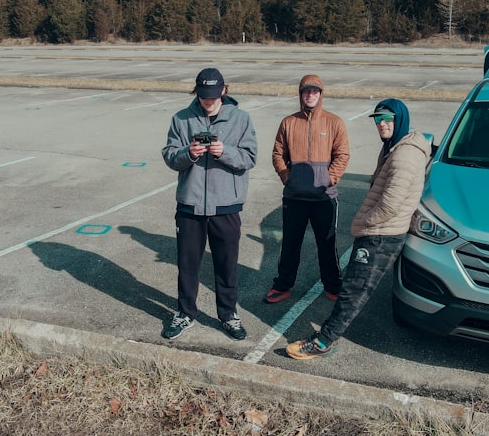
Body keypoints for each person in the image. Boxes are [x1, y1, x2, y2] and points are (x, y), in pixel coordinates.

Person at [286, 98, 430, 359]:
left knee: (354, 289)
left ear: (400, 119)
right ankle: (327, 337)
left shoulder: (405, 154)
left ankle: (323, 342)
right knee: (354, 286)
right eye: (378, 119)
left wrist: (364, 224)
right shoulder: (393, 147)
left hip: (381, 235)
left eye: (387, 118)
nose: (381, 124)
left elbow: (391, 203)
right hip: (380, 230)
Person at [161, 68, 258, 341]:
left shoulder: (241, 119)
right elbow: (169, 156)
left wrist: (224, 152)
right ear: (197, 92)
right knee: (188, 264)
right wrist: (187, 153)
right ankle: (185, 313)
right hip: (190, 206)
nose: (208, 101)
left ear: (224, 91)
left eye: (213, 96)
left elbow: (250, 157)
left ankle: (228, 315)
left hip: (226, 205)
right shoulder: (181, 119)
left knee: (227, 264)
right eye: (204, 96)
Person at [264, 75, 350, 305]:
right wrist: (287, 177)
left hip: (324, 198)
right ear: (300, 94)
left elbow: (342, 155)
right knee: (290, 243)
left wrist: (329, 179)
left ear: (321, 94)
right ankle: (283, 285)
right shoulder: (288, 122)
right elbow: (278, 154)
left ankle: (333, 285)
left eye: (315, 91)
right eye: (306, 91)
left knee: (327, 245)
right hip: (295, 197)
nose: (310, 95)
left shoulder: (334, 122)